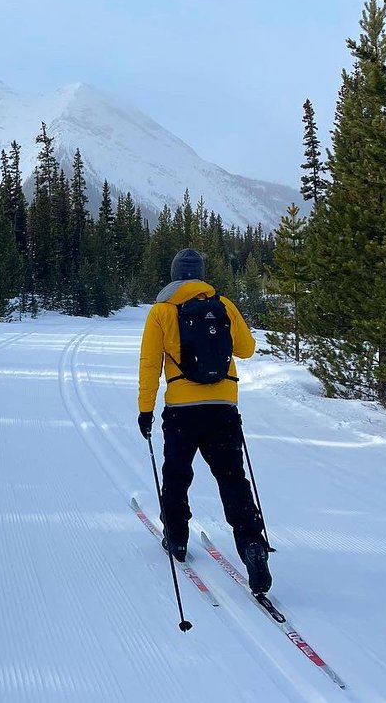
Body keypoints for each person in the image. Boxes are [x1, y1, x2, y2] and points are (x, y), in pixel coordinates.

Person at [136, 247, 271, 594]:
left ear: (174, 274)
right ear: (200, 273)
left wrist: (145, 409)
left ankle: (177, 537)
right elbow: (246, 349)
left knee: (177, 474)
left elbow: (150, 364)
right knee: (232, 478)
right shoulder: (223, 306)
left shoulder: (161, 312)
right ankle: (252, 545)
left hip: (181, 409)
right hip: (223, 405)